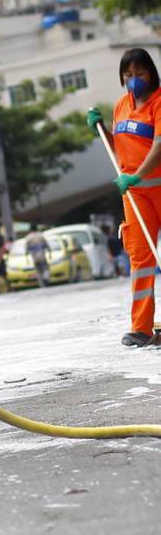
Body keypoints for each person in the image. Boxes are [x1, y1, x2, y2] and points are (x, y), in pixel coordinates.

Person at [88, 47, 161, 347]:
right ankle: (141, 328)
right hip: (135, 194)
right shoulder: (121, 105)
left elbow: (159, 145)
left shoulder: (159, 103)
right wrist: (101, 130)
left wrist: (137, 175)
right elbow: (119, 147)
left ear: (151, 73)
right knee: (141, 259)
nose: (134, 79)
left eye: (140, 73)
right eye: (128, 74)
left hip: (154, 185)